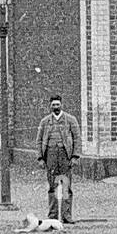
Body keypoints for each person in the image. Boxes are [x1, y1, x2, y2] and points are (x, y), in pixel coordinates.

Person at [35, 94, 81, 224]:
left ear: (61, 105)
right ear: (50, 106)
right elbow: (38, 141)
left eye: (58, 104)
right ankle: (53, 216)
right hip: (50, 156)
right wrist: (40, 158)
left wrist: (75, 156)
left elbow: (77, 139)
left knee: (66, 185)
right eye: (53, 105)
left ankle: (66, 216)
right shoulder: (44, 122)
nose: (56, 107)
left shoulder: (70, 120)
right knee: (52, 186)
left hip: (65, 156)